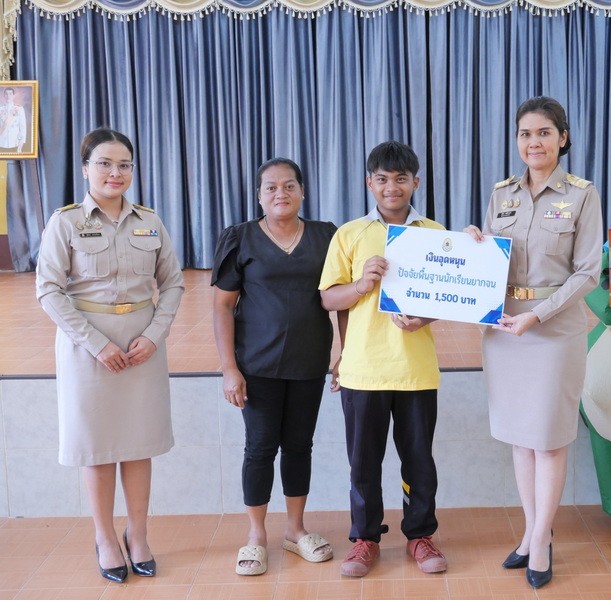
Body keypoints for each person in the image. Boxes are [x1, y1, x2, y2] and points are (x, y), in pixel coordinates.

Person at [464, 97, 602, 589]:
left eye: (544, 132)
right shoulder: (502, 194)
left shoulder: (582, 195)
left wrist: (538, 315)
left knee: (548, 440)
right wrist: (474, 246)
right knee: (521, 439)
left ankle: (541, 540)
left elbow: (588, 272)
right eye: (525, 133)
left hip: (553, 331)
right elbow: (491, 263)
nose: (534, 142)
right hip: (505, 328)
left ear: (562, 138)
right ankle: (530, 532)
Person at [35, 127, 184, 583]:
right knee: (97, 447)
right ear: (85, 169)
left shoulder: (149, 221)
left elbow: (173, 283)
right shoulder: (65, 222)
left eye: (124, 165)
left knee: (139, 445)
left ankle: (137, 534)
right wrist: (97, 344)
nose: (115, 173)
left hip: (142, 348)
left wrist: (154, 335)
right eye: (104, 163)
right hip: (88, 348)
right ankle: (104, 538)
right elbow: (48, 290)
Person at [319, 141, 448, 578]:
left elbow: (448, 298)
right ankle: (365, 538)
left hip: (416, 370)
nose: (392, 187)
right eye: (382, 179)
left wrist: (423, 317)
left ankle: (420, 535)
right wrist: (361, 284)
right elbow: (328, 298)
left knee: (419, 462)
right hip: (363, 369)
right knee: (363, 463)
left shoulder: (435, 233)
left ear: (416, 182)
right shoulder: (350, 234)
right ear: (368, 183)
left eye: (401, 178)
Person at [212, 158, 336, 576]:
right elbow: (223, 306)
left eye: (289, 186)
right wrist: (229, 368)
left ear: (302, 191)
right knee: (260, 447)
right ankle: (256, 536)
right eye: (271, 187)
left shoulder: (325, 235)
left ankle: (296, 530)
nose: (280, 193)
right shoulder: (241, 238)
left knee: (300, 446)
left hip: (309, 360)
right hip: (257, 364)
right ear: (259, 195)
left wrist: (346, 351)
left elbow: (340, 297)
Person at [0, 87, 26, 152]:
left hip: (14, 142)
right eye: (6, 94)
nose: (8, 96)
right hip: (2, 142)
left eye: (10, 94)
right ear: (4, 96)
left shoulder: (19, 109)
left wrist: (20, 146)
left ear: (14, 96)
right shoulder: (0, 109)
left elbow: (23, 128)